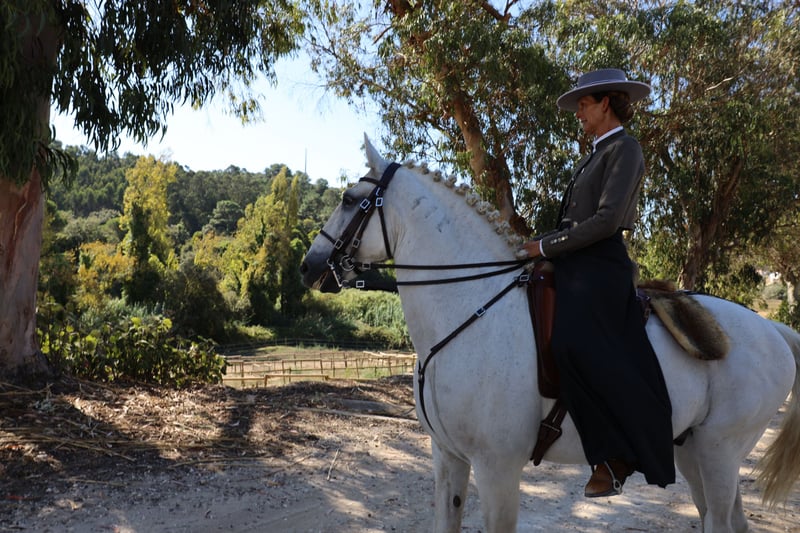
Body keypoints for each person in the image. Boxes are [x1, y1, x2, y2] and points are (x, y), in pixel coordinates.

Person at [521, 68, 675, 497]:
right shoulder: (595, 153)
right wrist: (538, 247)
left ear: (606, 103)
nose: (579, 114)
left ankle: (612, 456)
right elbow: (573, 224)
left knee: (570, 343)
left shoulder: (626, 149)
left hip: (600, 265)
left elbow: (606, 221)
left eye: (584, 105)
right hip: (573, 259)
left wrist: (545, 246)